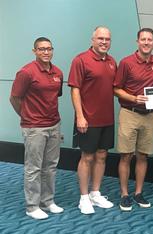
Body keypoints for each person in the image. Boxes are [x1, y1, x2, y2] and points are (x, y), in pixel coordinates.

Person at [10, 37, 64, 220]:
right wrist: (27, 117)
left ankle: (47, 201)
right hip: (34, 128)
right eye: (41, 49)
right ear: (34, 51)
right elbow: (15, 98)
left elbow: (55, 97)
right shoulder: (26, 72)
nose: (46, 52)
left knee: (50, 166)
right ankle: (32, 206)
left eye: (49, 49)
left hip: (54, 125)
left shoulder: (58, 72)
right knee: (33, 168)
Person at [114, 28, 153, 211]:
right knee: (126, 155)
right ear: (137, 42)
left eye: (149, 39)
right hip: (129, 113)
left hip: (149, 116)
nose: (146, 42)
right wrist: (134, 98)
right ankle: (124, 194)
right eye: (143, 39)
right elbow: (116, 89)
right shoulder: (126, 63)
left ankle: (138, 192)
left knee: (143, 156)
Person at [68, 26, 116, 214]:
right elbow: (75, 89)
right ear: (93, 40)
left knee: (102, 155)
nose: (104, 42)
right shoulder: (81, 60)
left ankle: (95, 193)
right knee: (87, 157)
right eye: (100, 38)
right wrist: (80, 116)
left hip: (107, 119)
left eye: (107, 39)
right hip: (87, 119)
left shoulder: (112, 62)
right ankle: (84, 198)